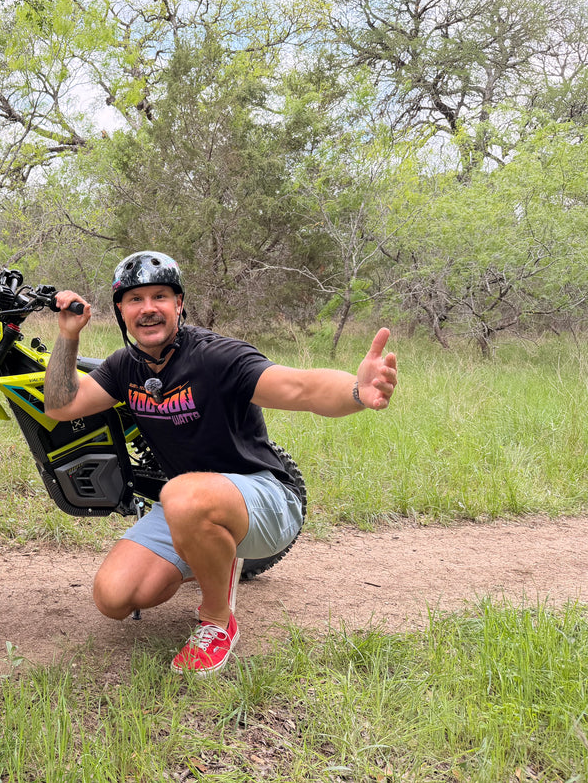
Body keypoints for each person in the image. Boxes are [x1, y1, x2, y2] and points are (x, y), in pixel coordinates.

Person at [43, 250, 398, 676]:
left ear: (179, 304)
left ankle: (217, 620)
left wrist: (356, 391)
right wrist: (68, 335)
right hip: (190, 503)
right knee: (114, 598)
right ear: (120, 311)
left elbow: (299, 388)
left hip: (266, 499)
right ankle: (214, 550)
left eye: (161, 296)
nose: (149, 308)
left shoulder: (216, 357)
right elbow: (61, 406)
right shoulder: (126, 367)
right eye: (135, 299)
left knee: (181, 494)